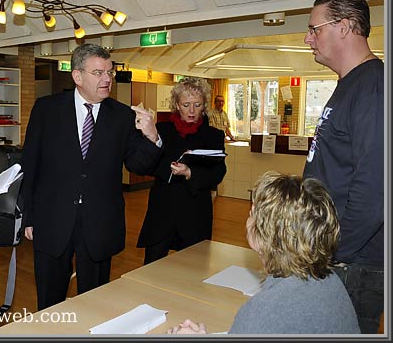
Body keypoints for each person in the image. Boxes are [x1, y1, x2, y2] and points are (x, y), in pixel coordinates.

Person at [21, 43, 162, 310]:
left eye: (109, 72)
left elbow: (138, 165)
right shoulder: (46, 109)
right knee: (49, 304)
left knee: (95, 304)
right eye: (98, 72)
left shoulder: (121, 115)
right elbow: (31, 165)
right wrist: (28, 217)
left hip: (99, 225)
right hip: (52, 221)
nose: (107, 79)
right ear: (77, 76)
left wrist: (151, 136)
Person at [168, 171, 360, 334]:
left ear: (266, 235)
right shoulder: (331, 281)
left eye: (253, 214)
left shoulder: (265, 310)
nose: (248, 217)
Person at [302, 0, 383, 334]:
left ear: (346, 26)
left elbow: (375, 190)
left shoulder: (374, 86)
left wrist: (332, 252)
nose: (308, 39)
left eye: (314, 29)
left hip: (354, 264)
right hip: (336, 256)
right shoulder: (350, 84)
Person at [136, 77, 226, 264]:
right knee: (152, 270)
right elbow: (146, 165)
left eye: (197, 104)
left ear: (204, 106)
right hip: (162, 210)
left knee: (194, 269)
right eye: (186, 105)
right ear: (177, 104)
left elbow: (218, 173)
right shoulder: (160, 130)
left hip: (195, 213)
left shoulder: (213, 136)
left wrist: (190, 173)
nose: (192, 111)